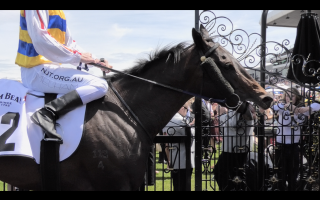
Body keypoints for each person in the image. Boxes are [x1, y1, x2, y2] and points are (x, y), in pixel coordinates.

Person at [16, 10, 113, 140]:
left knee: (98, 82)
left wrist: (95, 62)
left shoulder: (58, 12)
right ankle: (47, 113)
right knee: (100, 85)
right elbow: (40, 38)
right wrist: (78, 56)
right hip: (35, 70)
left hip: (49, 70)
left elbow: (69, 44)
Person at [270, 88, 320, 191]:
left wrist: (306, 109)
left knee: (293, 172)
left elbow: (318, 106)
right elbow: (271, 107)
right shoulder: (281, 106)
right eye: (287, 96)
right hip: (281, 143)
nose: (289, 98)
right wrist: (287, 107)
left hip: (294, 144)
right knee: (280, 173)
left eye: (292, 96)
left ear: (296, 97)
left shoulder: (301, 109)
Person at [213, 101, 256, 191]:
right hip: (234, 146)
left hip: (236, 147)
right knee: (230, 174)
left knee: (230, 174)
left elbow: (234, 123)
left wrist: (221, 114)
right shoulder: (240, 104)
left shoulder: (240, 104)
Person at [164, 100, 195, 191]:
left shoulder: (173, 118)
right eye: (187, 109)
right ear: (182, 108)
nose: (188, 111)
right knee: (182, 185)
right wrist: (194, 126)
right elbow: (190, 135)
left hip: (178, 158)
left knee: (179, 185)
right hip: (182, 159)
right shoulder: (177, 119)